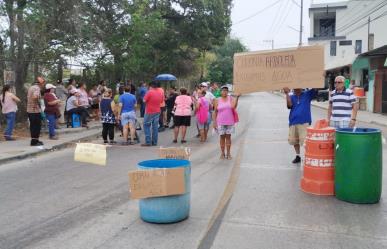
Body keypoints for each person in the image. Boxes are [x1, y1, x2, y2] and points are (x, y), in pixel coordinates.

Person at [283, 87, 317, 164]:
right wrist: (287, 94)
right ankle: (298, 156)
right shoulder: (291, 96)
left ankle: (308, 157)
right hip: (293, 122)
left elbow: (316, 88)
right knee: (294, 141)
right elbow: (289, 106)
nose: (296, 89)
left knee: (305, 142)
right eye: (295, 88)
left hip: (304, 122)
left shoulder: (307, 94)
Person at [213, 86, 240, 160]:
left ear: (228, 92)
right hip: (220, 122)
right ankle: (222, 153)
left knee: (228, 138)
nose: (224, 92)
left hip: (229, 122)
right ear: (220, 91)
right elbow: (215, 111)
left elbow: (234, 107)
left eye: (226, 90)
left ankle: (228, 153)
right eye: (223, 90)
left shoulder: (231, 98)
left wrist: (237, 98)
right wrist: (214, 122)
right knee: (222, 138)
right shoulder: (217, 100)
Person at [142, 81, 163, 146]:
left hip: (149, 111)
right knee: (155, 127)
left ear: (151, 86)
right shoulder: (160, 92)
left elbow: (144, 100)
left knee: (146, 125)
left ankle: (148, 142)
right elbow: (161, 101)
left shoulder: (149, 92)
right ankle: (154, 142)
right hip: (157, 111)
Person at [27, 76, 46, 146]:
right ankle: (35, 142)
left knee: (33, 126)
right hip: (35, 111)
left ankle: (34, 140)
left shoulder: (31, 87)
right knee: (37, 126)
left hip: (29, 110)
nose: (44, 85)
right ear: (41, 83)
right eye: (44, 83)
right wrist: (37, 101)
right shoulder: (37, 88)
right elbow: (34, 97)